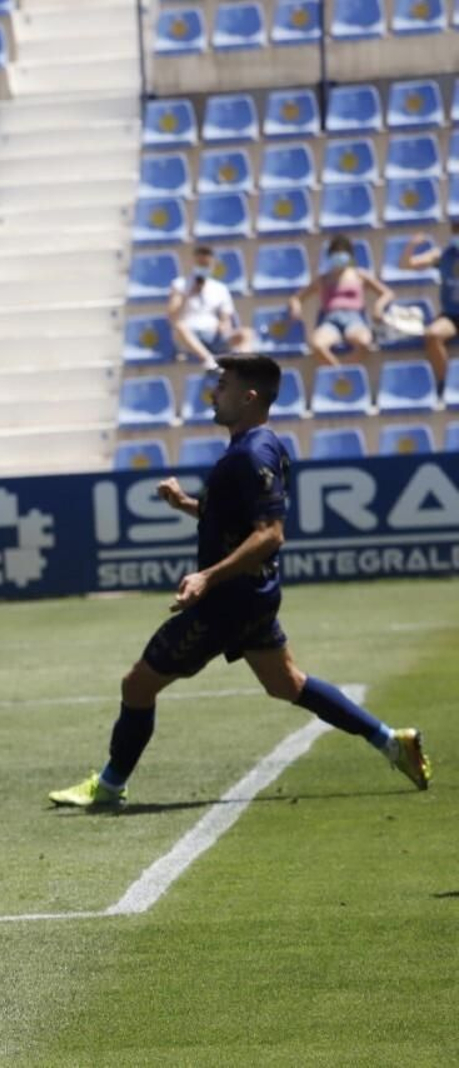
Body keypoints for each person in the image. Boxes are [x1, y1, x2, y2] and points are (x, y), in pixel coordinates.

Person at [49, 355, 431, 810]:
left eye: (223, 385)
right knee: (286, 683)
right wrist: (188, 504)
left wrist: (206, 577)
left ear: (248, 397)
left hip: (225, 603)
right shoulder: (255, 447)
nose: (214, 393)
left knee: (137, 685)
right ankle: (392, 741)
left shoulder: (252, 454)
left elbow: (270, 534)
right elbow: (241, 523)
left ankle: (110, 786)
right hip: (251, 597)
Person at [289, 235, 393, 367]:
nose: (340, 255)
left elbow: (387, 293)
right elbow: (297, 297)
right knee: (317, 344)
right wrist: (296, 307)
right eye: (336, 252)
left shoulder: (360, 275)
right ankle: (339, 372)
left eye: (343, 252)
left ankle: (346, 370)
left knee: (365, 342)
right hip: (330, 321)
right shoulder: (323, 279)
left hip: (354, 320)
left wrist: (379, 306)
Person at [167, 245, 256, 368]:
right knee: (179, 327)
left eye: (206, 264)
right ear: (193, 262)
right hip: (189, 336)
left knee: (247, 334)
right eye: (200, 263)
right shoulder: (180, 285)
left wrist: (223, 325)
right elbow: (172, 315)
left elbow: (226, 317)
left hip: (213, 335)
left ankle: (246, 368)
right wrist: (187, 295)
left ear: (213, 264)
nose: (203, 267)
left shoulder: (220, 289)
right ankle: (209, 360)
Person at [396, 225, 459, 382]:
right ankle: (447, 385)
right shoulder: (443, 254)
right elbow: (405, 264)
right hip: (452, 316)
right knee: (432, 335)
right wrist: (412, 245)